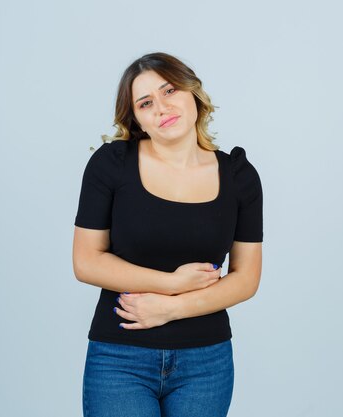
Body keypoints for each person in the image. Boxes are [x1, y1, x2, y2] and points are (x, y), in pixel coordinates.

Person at [72, 51, 263, 417]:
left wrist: (172, 308)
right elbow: (86, 262)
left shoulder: (239, 176)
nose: (161, 107)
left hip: (206, 363)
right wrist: (172, 283)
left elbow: (247, 278)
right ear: (138, 119)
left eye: (170, 90)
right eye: (145, 103)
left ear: (193, 93)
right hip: (119, 359)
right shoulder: (111, 165)